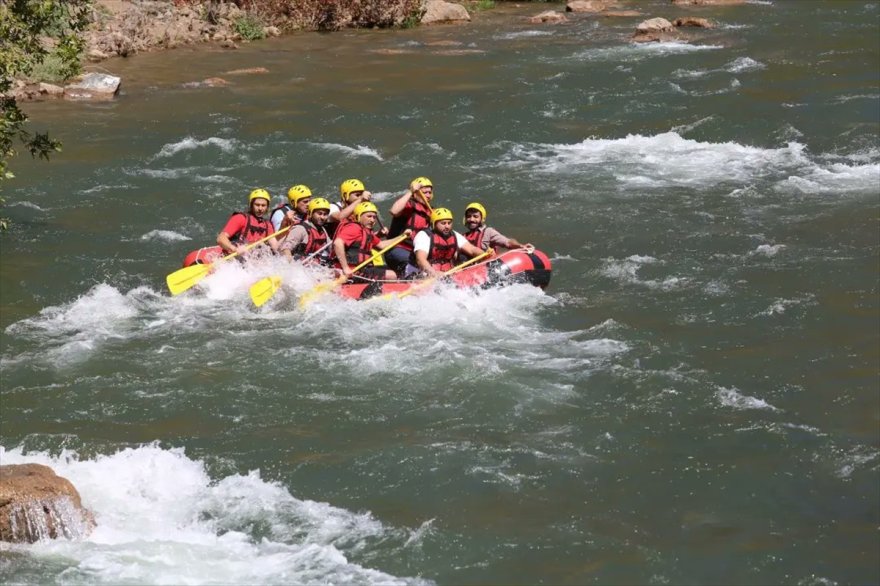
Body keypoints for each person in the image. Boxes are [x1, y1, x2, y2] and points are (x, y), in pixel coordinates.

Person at [334, 201, 409, 281]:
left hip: (363, 268)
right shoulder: (354, 228)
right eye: (369, 216)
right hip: (353, 270)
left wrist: (402, 236)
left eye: (374, 217)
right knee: (392, 275)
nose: (372, 220)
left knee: (391, 270)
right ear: (359, 216)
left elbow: (381, 245)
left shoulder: (367, 232)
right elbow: (337, 243)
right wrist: (346, 268)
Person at [408, 207, 485, 278]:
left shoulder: (454, 234)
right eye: (443, 223)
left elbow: (472, 250)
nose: (447, 226)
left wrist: (485, 255)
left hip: (444, 273)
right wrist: (434, 273)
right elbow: (420, 260)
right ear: (434, 224)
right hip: (419, 272)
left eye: (449, 223)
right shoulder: (424, 236)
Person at [385, 176, 435, 274]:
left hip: (416, 253)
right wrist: (410, 191)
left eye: (429, 192)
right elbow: (394, 211)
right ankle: (409, 279)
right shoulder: (408, 205)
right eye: (425, 192)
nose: (428, 195)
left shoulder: (432, 212)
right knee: (417, 267)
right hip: (398, 249)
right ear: (416, 193)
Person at [216, 188, 280, 255]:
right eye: (257, 205)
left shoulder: (267, 224)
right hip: (235, 255)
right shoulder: (240, 218)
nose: (260, 208)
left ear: (267, 207)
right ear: (251, 205)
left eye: (263, 205)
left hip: (252, 259)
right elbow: (220, 238)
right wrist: (235, 249)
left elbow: (275, 246)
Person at [279, 197, 332, 265]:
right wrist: (291, 266)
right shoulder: (300, 228)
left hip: (314, 266)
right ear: (310, 213)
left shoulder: (322, 230)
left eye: (325, 214)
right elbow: (285, 249)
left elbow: (331, 248)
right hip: (299, 266)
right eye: (319, 213)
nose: (322, 217)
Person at [461, 202, 532, 253]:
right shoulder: (462, 237)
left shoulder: (488, 232)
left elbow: (508, 242)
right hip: (468, 270)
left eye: (475, 216)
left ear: (482, 219)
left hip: (485, 268)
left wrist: (520, 246)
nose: (471, 219)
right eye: (469, 216)